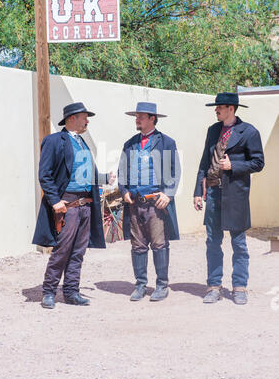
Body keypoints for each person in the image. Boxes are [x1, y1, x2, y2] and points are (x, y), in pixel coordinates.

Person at [32, 102, 114, 309]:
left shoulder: (83, 143)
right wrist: (55, 201)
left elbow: (85, 173)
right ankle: (49, 291)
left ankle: (71, 292)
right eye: (84, 117)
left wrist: (104, 177)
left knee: (78, 251)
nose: (87, 121)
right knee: (62, 249)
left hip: (86, 204)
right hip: (67, 204)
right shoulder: (54, 141)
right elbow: (45, 175)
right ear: (71, 118)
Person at [194, 92, 264, 305]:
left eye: (220, 107)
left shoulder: (249, 132)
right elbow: (204, 162)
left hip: (236, 195)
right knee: (212, 242)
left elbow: (258, 162)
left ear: (231, 109)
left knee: (239, 243)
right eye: (216, 107)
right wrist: (198, 191)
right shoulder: (213, 130)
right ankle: (214, 286)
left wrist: (234, 165)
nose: (216, 110)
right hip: (214, 194)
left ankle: (239, 287)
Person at [118, 102, 180, 302]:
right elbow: (122, 171)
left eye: (141, 116)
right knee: (137, 245)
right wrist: (124, 190)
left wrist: (168, 194)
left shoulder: (166, 142)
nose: (137, 120)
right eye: (136, 116)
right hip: (135, 203)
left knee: (159, 244)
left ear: (152, 118)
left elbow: (175, 171)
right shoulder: (130, 144)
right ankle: (140, 285)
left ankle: (162, 285)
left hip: (156, 203)